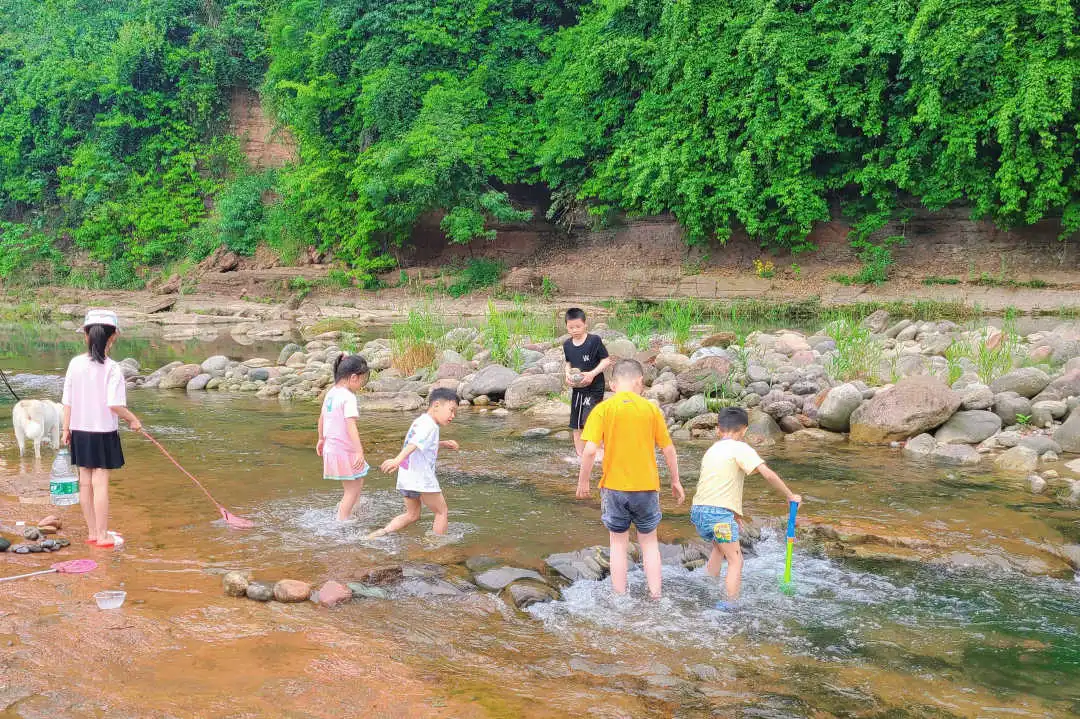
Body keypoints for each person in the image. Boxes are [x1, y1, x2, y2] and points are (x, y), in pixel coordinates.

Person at [576, 359, 683, 599]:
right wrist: (675, 480)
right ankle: (656, 595)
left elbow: (590, 451)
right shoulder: (651, 409)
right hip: (646, 488)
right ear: (640, 383)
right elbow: (668, 449)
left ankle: (619, 596)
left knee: (618, 545)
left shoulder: (603, 409)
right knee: (649, 543)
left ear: (613, 385)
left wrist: (583, 482)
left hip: (614, 488)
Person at [690, 407, 801, 610]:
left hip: (698, 511)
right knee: (736, 561)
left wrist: (734, 514)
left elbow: (717, 484)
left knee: (718, 547)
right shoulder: (741, 448)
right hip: (719, 515)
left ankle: (707, 587)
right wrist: (789, 495)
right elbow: (767, 474)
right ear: (744, 430)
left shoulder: (712, 450)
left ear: (718, 429)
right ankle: (730, 605)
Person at [61, 309, 142, 548]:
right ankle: (104, 536)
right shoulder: (113, 368)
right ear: (113, 336)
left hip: (79, 431)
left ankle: (93, 532)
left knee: (84, 481)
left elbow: (68, 400)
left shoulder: (75, 364)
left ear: (86, 335)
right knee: (100, 483)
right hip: (103, 432)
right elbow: (114, 404)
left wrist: (66, 430)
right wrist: (133, 420)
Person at [366, 388, 460, 539]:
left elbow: (420, 443)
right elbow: (415, 443)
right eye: (451, 410)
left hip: (407, 477)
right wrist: (397, 459)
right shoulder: (430, 425)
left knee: (412, 515)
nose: (453, 416)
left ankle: (381, 533)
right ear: (436, 405)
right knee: (441, 512)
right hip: (421, 477)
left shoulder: (420, 421)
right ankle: (435, 546)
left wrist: (442, 444)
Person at [317, 354, 370, 521]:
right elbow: (350, 425)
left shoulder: (332, 392)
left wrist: (320, 439)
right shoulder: (348, 397)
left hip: (332, 448)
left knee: (358, 478)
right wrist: (359, 451)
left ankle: (353, 507)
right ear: (353, 377)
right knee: (351, 490)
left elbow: (322, 417)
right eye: (362, 380)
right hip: (344, 450)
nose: (362, 384)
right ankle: (342, 520)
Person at [563, 307, 612, 459]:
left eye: (578, 326)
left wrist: (592, 374)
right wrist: (567, 375)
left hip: (594, 387)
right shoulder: (567, 345)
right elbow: (568, 363)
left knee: (590, 417)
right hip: (578, 389)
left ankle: (601, 450)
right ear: (566, 327)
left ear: (585, 325)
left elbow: (606, 360)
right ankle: (580, 455)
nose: (575, 330)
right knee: (576, 422)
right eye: (571, 327)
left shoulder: (594, 341)